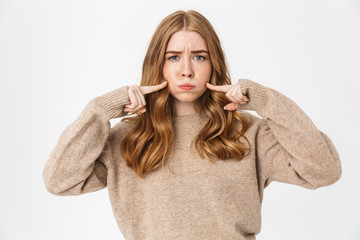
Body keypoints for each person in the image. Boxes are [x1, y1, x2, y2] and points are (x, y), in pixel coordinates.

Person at [43, 10, 342, 240]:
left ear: (214, 64)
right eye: (174, 57)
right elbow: (58, 180)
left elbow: (324, 169)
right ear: (158, 64)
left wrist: (267, 101)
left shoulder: (247, 132)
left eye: (199, 57)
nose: (186, 70)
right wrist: (99, 110)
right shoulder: (128, 138)